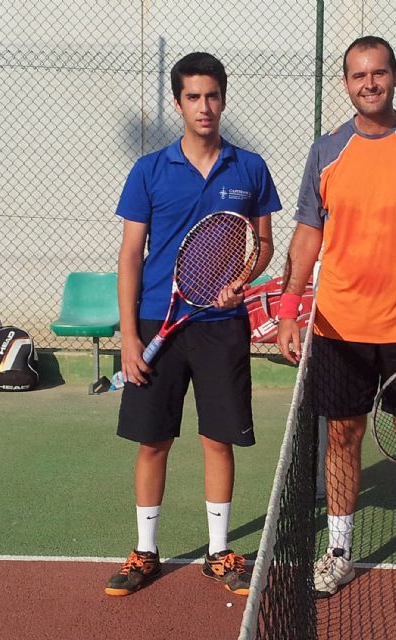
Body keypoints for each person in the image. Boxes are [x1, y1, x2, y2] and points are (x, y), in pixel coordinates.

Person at [277, 36, 396, 601]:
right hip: (338, 327)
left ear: (395, 76)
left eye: (378, 73)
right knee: (341, 437)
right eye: (358, 75)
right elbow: (308, 234)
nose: (369, 83)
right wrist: (289, 309)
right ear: (346, 83)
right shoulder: (326, 151)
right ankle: (339, 550)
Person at [105, 52, 281, 597]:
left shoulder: (249, 167)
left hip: (222, 322)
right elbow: (131, 255)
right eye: (193, 97)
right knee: (153, 440)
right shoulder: (149, 170)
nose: (204, 106)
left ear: (223, 98)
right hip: (160, 318)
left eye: (212, 95)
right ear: (178, 103)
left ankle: (219, 553)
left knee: (216, 439)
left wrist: (243, 278)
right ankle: (146, 553)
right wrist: (131, 336)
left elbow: (264, 243)